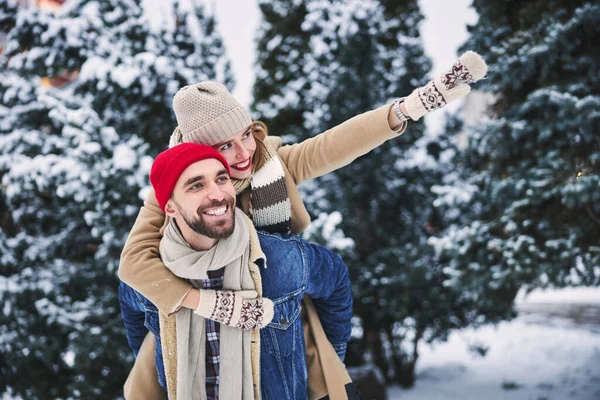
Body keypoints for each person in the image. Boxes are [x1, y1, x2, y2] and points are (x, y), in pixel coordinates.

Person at [118, 51, 488, 398]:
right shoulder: (175, 190)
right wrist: (209, 306)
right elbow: (133, 266)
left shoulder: (270, 164)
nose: (245, 152)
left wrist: (407, 108)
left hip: (279, 321)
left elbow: (333, 145)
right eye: (226, 146)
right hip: (197, 328)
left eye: (246, 134)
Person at [119, 143, 357, 399]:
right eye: (196, 185)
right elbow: (132, 309)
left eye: (221, 179)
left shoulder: (280, 257)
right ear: (170, 207)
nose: (217, 194)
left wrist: (331, 355)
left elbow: (336, 278)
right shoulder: (152, 274)